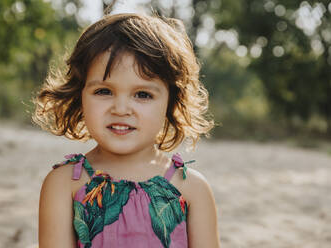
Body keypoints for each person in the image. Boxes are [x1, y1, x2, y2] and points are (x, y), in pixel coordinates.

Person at [33, 12, 220, 248]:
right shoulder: (64, 183)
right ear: (80, 95)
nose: (121, 109)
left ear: (170, 102)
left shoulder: (191, 188)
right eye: (104, 91)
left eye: (143, 94)